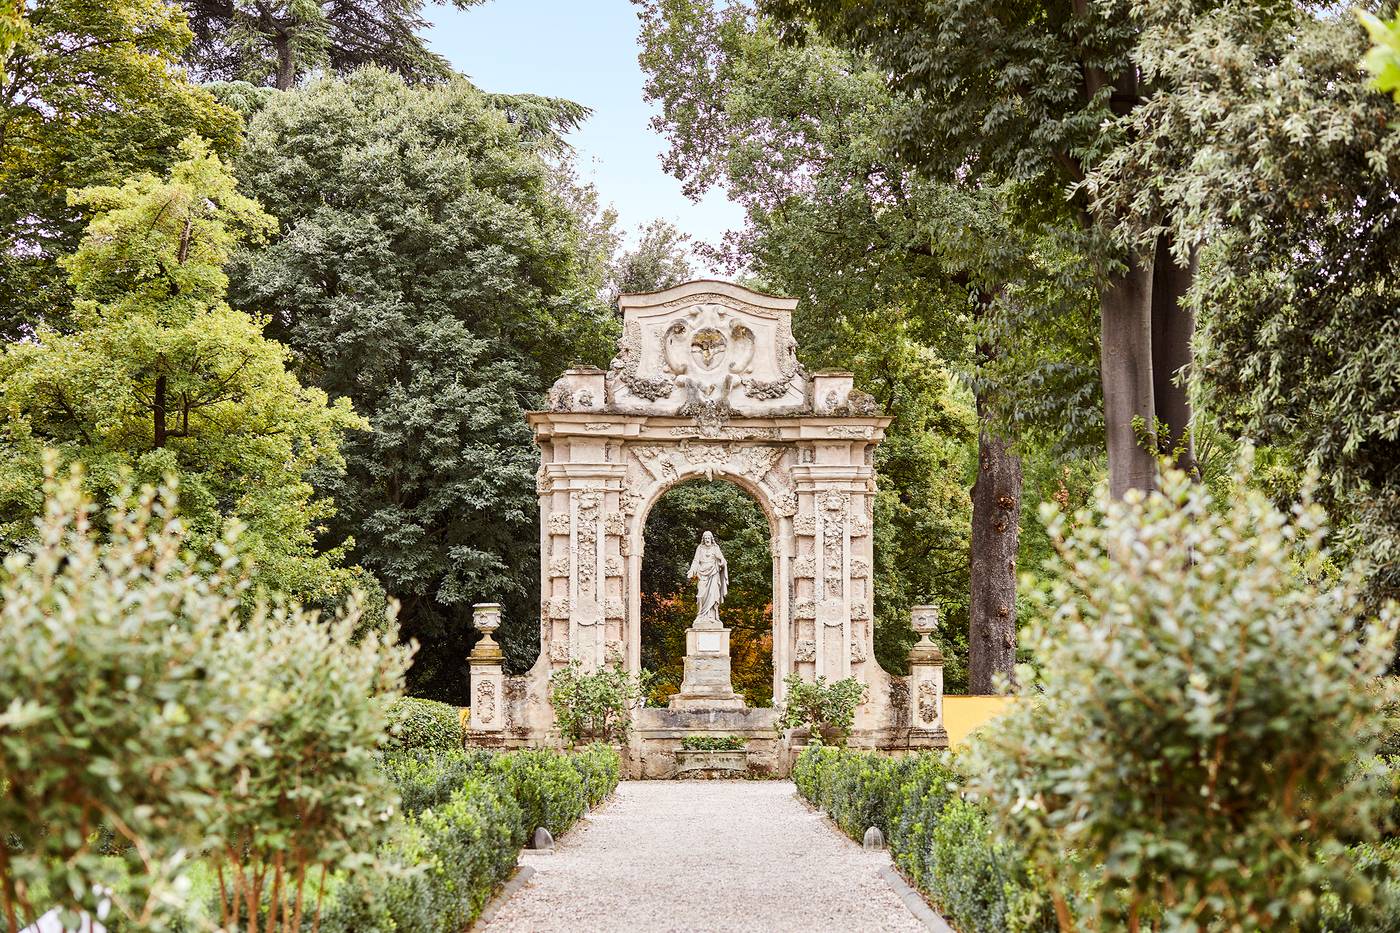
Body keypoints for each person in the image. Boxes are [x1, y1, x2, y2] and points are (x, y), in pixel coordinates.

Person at [688, 531, 728, 625]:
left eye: (708, 538)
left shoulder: (715, 548)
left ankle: (712, 616)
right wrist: (691, 570)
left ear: (711, 539)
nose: (707, 540)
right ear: (703, 539)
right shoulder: (700, 548)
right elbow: (696, 561)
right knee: (700, 595)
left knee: (712, 594)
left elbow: (722, 560)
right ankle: (700, 615)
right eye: (705, 538)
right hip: (702, 574)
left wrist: (722, 561)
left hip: (713, 573)